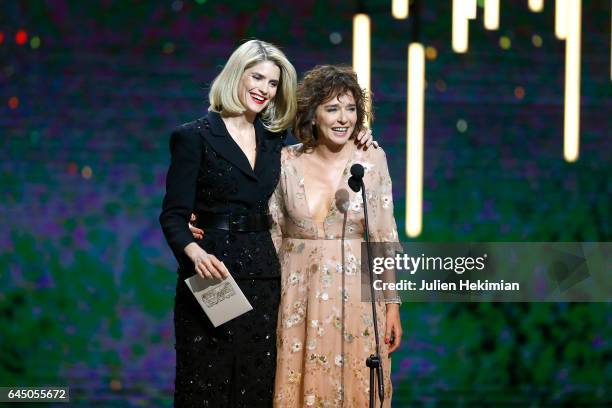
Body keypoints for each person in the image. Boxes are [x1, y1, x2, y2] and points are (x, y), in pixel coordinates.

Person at [161, 40, 375, 407]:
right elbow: (173, 216)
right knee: (207, 386)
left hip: (264, 276)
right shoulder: (193, 136)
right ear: (236, 75)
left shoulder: (276, 140)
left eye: (273, 83)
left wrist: (359, 135)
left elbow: (326, 131)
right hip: (211, 274)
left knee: (254, 386)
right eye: (257, 77)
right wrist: (194, 252)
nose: (264, 89)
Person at [269, 65, 402, 407]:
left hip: (357, 302)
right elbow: (271, 234)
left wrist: (391, 307)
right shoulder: (285, 161)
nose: (343, 118)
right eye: (332, 108)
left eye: (350, 108)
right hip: (295, 298)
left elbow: (383, 236)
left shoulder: (371, 159)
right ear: (312, 115)